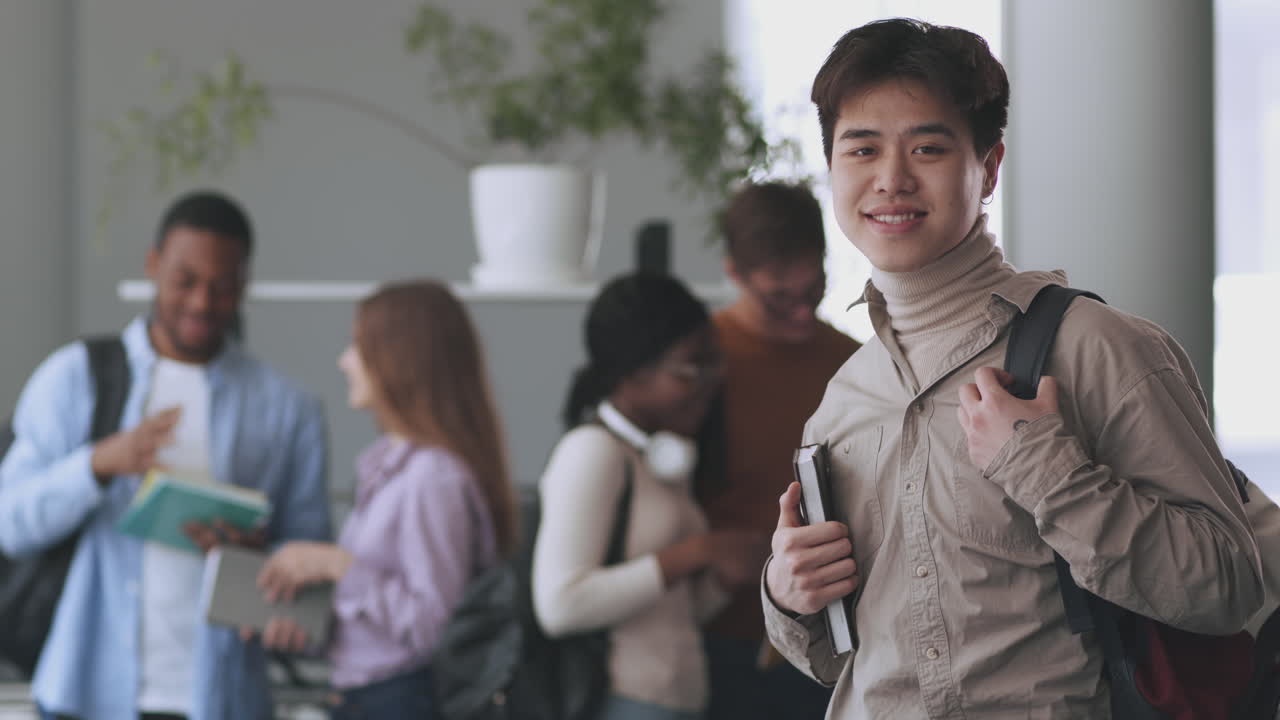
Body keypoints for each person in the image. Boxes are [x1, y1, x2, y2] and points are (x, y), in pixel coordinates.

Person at [760, 18, 1263, 718]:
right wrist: (788, 595)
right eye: (862, 149)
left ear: (989, 167)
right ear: (833, 170)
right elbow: (842, 659)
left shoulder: (1094, 348)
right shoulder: (846, 399)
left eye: (928, 148)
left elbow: (1228, 587)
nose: (892, 180)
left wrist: (1044, 469)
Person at [0, 190, 332, 720]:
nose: (202, 302)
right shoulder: (77, 378)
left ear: (244, 284)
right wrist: (97, 465)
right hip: (85, 690)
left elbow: (311, 555)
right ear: (153, 266)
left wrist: (257, 553)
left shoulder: (286, 408)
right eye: (185, 281)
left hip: (222, 697)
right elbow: (8, 524)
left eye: (222, 288)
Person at [253, 280, 517, 720]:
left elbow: (433, 625)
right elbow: (379, 621)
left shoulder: (433, 477)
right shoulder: (393, 467)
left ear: (400, 358)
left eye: (358, 346)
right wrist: (308, 625)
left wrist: (337, 565)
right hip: (365, 696)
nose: (344, 361)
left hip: (400, 700)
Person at [531, 272, 757, 720]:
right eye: (692, 367)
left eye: (715, 363)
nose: (711, 382)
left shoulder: (658, 452)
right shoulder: (592, 452)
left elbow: (670, 615)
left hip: (673, 701)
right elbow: (559, 605)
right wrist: (696, 552)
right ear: (633, 370)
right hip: (622, 702)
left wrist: (722, 577)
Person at [700, 181, 859, 720]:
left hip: (833, 633)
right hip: (718, 637)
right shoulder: (698, 361)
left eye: (812, 291)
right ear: (733, 274)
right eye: (778, 299)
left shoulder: (855, 364)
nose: (800, 313)